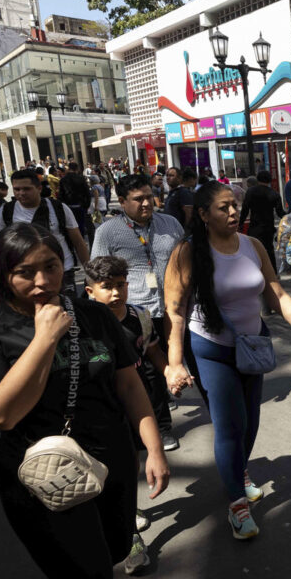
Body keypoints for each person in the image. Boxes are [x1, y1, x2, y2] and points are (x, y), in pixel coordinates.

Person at [0, 224, 170, 579]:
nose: (41, 282)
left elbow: (129, 383)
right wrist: (44, 338)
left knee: (114, 551)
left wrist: (152, 447)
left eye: (50, 267)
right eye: (24, 272)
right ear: (0, 276)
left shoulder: (94, 314)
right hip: (40, 479)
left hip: (109, 462)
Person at [163, 182, 291, 540]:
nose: (234, 212)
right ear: (204, 215)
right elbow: (175, 313)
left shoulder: (253, 246)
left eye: (235, 205)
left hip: (252, 347)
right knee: (230, 426)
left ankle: (238, 472)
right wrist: (174, 363)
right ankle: (237, 504)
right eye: (223, 208)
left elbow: (278, 294)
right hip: (211, 349)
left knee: (250, 424)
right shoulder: (187, 253)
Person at [84, 255, 172, 574]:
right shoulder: (79, 326)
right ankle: (122, 525)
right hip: (98, 410)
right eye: (107, 287)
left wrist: (170, 372)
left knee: (130, 463)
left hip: (135, 403)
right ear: (90, 290)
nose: (117, 293)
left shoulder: (140, 316)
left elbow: (152, 351)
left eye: (121, 285)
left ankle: (128, 521)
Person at [91, 174, 186, 451]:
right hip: (134, 311)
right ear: (122, 202)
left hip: (172, 308)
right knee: (147, 371)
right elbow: (96, 272)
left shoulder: (170, 224)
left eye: (149, 196)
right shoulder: (107, 232)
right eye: (138, 199)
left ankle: (172, 393)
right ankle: (162, 427)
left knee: (173, 360)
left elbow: (185, 261)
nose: (147, 203)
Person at [0, 169, 90, 293]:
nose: (21, 193)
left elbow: (78, 242)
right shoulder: (5, 211)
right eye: (17, 189)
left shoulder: (59, 208)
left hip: (62, 272)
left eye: (26, 189)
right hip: (26, 276)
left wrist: (89, 273)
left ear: (39, 188)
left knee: (66, 310)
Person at [240, 170, 285, 273]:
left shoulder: (250, 192)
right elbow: (280, 213)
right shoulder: (274, 194)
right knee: (269, 251)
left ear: (258, 179)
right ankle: (273, 273)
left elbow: (245, 209)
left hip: (254, 227)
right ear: (269, 180)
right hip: (268, 228)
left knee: (253, 250)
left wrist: (241, 223)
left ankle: (254, 272)